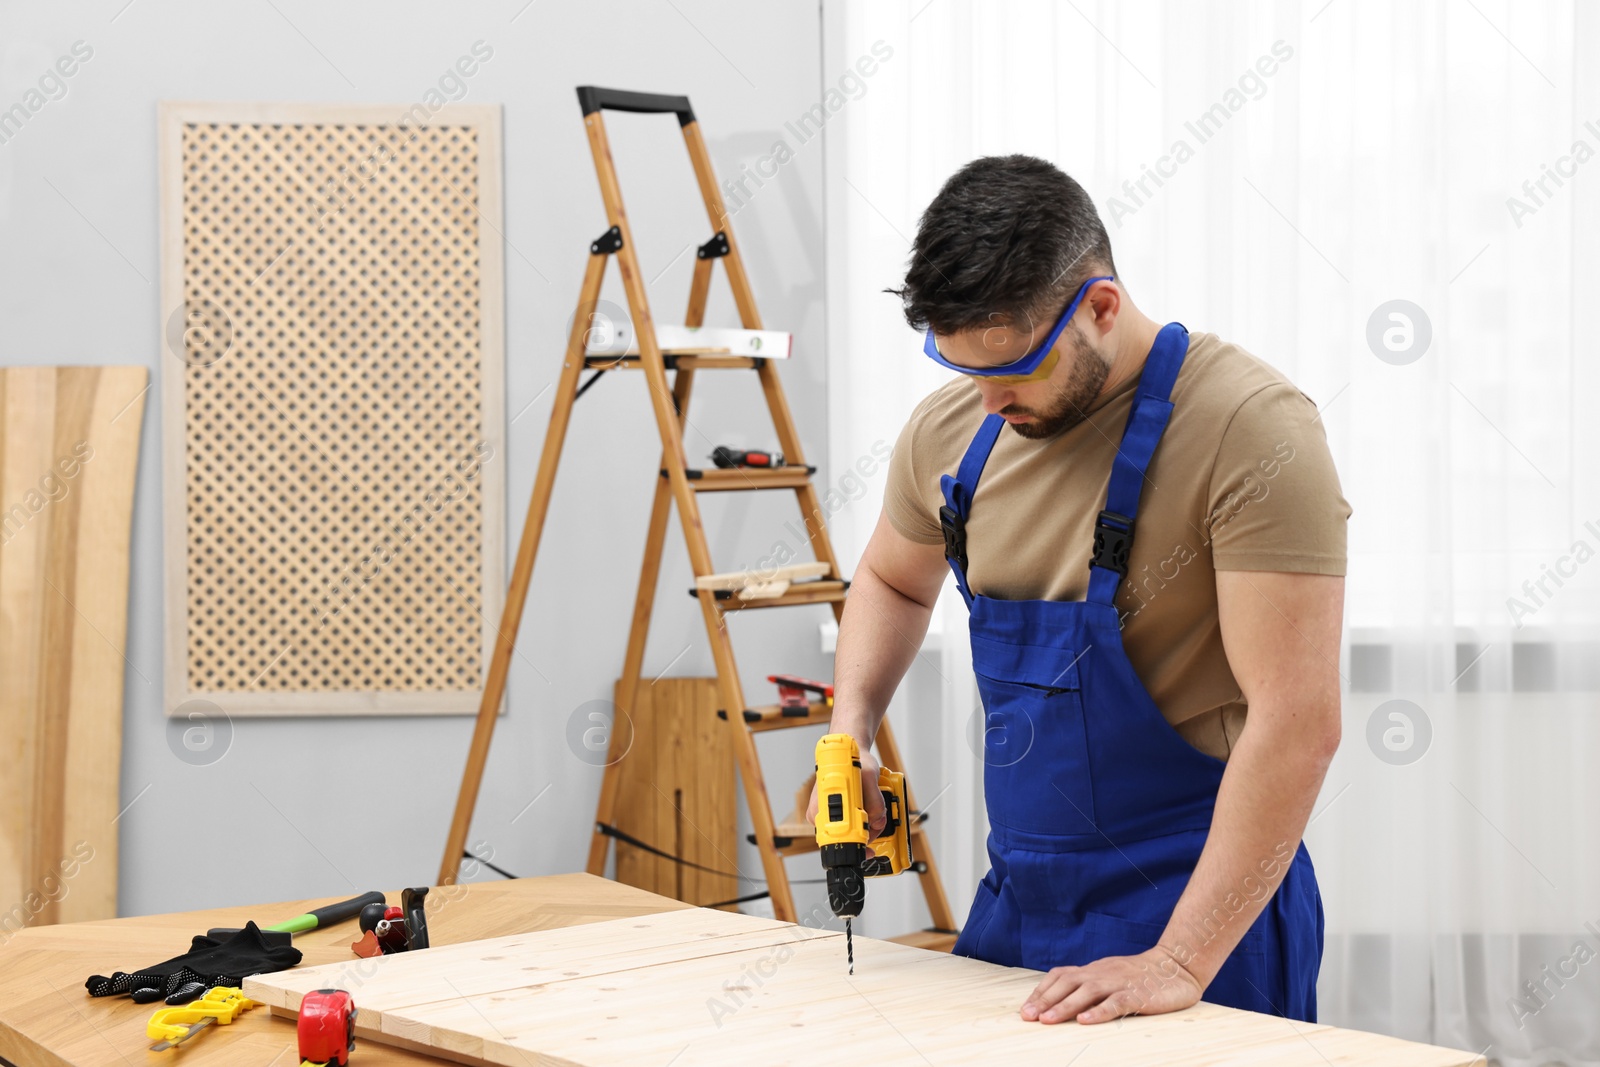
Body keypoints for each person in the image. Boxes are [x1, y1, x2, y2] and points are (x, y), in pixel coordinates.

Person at [808, 154, 1350, 1025]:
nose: (988, 403)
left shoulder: (1249, 428)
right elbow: (890, 579)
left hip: (1197, 912)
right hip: (1022, 902)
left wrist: (1177, 958)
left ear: (1100, 305)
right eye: (963, 371)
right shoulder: (956, 434)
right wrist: (854, 726)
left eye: (1014, 370)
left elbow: (1299, 721)